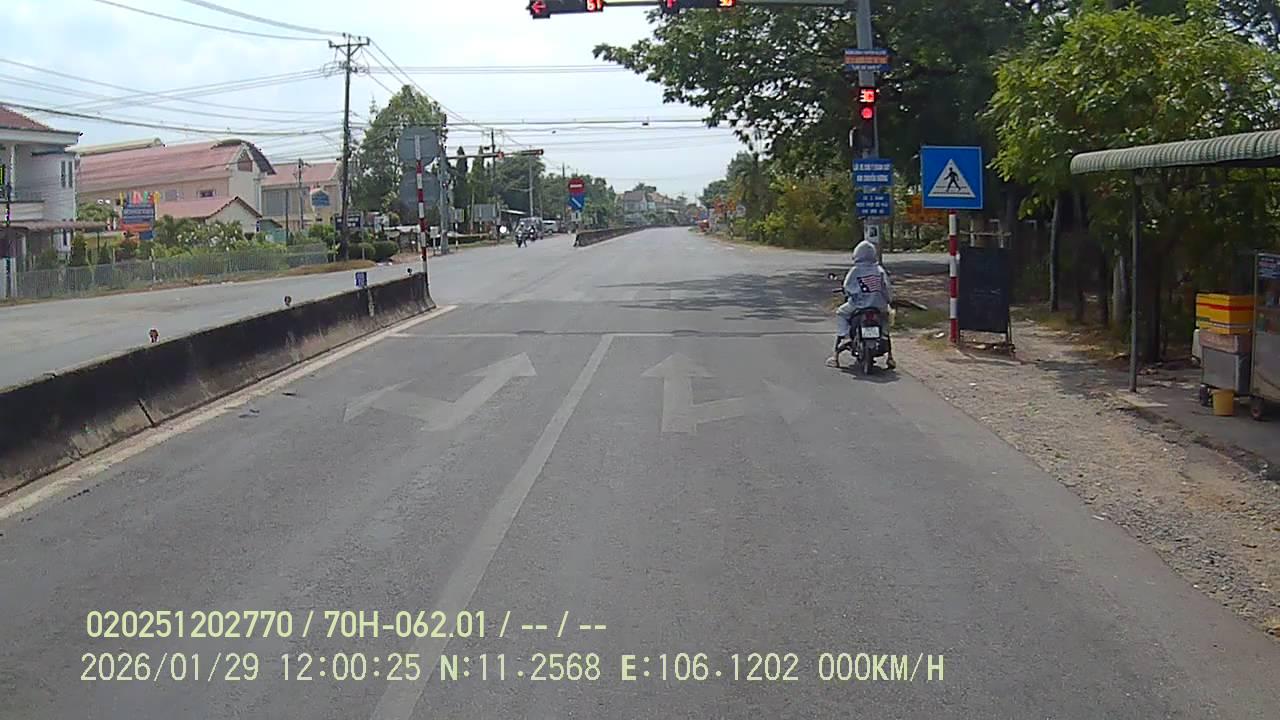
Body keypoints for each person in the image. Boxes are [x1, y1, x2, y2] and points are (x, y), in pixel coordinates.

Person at [828, 240, 895, 369]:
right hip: (878, 306)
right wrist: (888, 300)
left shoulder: (855, 271)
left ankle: (844, 339)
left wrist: (850, 293)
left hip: (858, 305)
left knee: (841, 313)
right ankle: (889, 356)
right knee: (885, 319)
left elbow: (848, 287)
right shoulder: (879, 270)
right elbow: (886, 288)